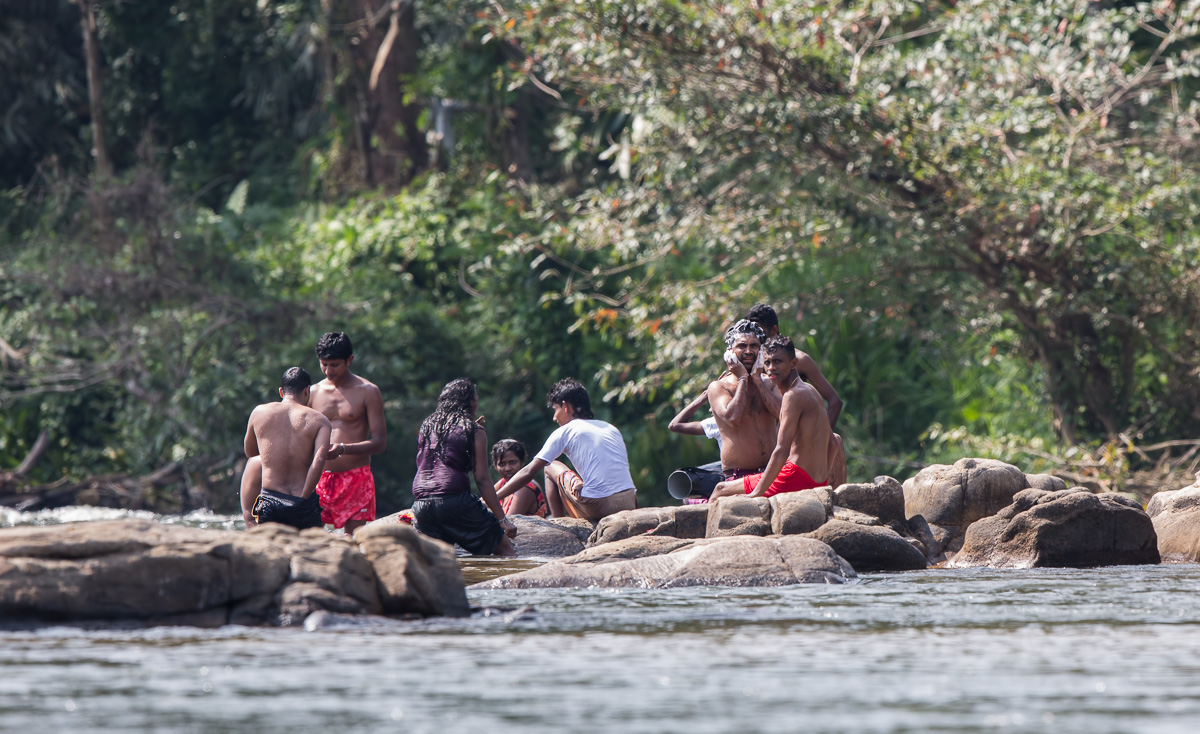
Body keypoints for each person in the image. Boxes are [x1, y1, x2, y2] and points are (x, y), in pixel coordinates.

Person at [709, 336, 832, 501]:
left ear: (793, 363)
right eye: (767, 363)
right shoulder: (809, 389)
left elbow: (781, 450)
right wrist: (824, 483)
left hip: (794, 477)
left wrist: (756, 493)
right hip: (817, 480)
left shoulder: (793, 395)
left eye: (778, 361)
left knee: (720, 489)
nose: (771, 368)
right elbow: (834, 441)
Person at [500, 378, 637, 520]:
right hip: (630, 502)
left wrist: (493, 498)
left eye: (555, 409)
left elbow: (529, 472)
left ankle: (559, 522)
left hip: (600, 506)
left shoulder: (565, 430)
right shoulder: (611, 428)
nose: (554, 418)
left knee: (549, 466)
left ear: (565, 406)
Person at [410, 379, 516, 556]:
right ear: (471, 402)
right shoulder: (474, 430)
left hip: (422, 504)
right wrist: (502, 519)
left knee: (442, 563)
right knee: (505, 549)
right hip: (455, 501)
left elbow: (436, 465)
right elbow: (481, 479)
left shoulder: (427, 427)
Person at [747, 303, 847, 488]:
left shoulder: (798, 360)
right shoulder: (755, 362)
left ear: (774, 330)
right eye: (753, 334)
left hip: (796, 450)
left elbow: (834, 401)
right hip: (774, 443)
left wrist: (817, 443)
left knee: (836, 441)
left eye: (761, 333)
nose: (757, 339)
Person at [308, 332, 386, 535]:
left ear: (349, 360)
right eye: (323, 364)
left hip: (356, 478)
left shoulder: (368, 391)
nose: (328, 371)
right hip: (319, 476)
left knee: (355, 541)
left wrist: (342, 449)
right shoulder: (313, 392)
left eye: (334, 364)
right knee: (312, 539)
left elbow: (379, 442)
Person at [241, 367, 331, 529]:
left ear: (281, 392)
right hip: (302, 501)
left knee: (255, 461)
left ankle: (248, 518)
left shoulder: (259, 412)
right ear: (307, 390)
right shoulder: (320, 420)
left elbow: (250, 452)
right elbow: (319, 460)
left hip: (271, 502)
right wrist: (302, 500)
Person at [707, 319, 780, 484]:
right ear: (730, 352)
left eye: (754, 346)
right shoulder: (719, 387)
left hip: (773, 471)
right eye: (741, 346)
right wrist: (742, 379)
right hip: (738, 476)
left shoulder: (769, 383)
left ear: (761, 351)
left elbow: (783, 414)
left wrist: (757, 379)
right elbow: (733, 418)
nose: (748, 351)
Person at [492, 438, 548, 517]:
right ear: (496, 467)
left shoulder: (525, 487)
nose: (507, 468)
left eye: (512, 462)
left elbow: (509, 522)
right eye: (502, 464)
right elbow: (482, 502)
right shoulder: (503, 483)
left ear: (522, 463)